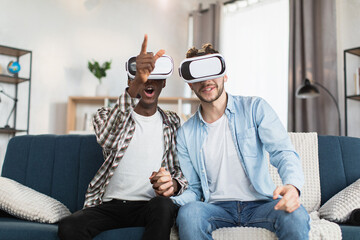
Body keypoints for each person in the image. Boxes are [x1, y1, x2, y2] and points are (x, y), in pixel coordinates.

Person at [172, 44, 310, 240]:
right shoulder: (186, 133)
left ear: (225, 75)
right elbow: (194, 189)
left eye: (212, 71)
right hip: (216, 208)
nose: (206, 81)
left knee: (296, 215)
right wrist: (172, 200)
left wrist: (293, 186)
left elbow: (283, 152)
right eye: (198, 75)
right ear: (190, 84)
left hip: (262, 204)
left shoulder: (255, 108)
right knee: (189, 214)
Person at [58, 35, 187, 240]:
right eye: (142, 77)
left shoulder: (173, 122)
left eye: (155, 77)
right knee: (70, 226)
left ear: (163, 83)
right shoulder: (105, 115)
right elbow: (107, 138)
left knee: (164, 206)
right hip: (111, 205)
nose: (148, 81)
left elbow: (182, 172)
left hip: (150, 206)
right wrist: (137, 83)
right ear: (130, 81)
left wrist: (173, 184)